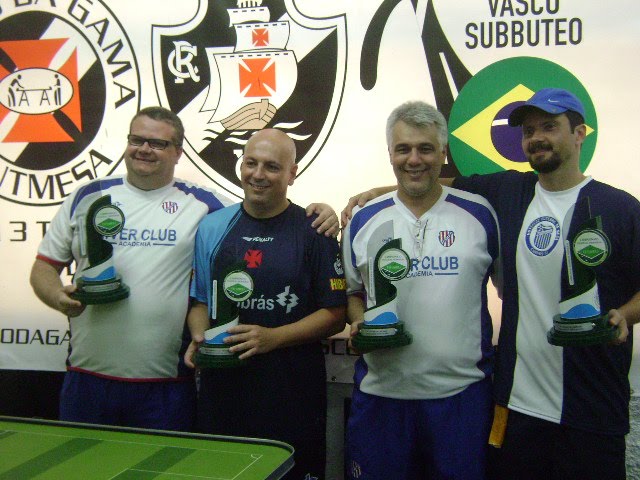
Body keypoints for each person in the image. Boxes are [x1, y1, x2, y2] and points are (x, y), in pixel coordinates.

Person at [342, 88, 640, 479]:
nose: (537, 138)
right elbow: (427, 182)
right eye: (529, 131)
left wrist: (626, 315)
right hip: (516, 406)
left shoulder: (619, 207)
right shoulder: (509, 194)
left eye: (549, 127)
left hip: (591, 404)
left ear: (579, 133)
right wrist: (375, 193)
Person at [30, 107, 339, 431]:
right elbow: (44, 267)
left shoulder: (206, 206)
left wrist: (322, 212)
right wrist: (57, 297)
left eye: (158, 143)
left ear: (178, 152)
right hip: (86, 376)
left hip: (166, 383)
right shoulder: (87, 196)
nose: (145, 149)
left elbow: (262, 209)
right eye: (137, 139)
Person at [341, 101, 500, 479]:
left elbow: (510, 292)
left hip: (461, 399)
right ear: (390, 154)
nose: (414, 159)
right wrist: (359, 322)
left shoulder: (480, 213)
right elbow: (352, 293)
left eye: (425, 149)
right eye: (403, 149)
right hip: (381, 398)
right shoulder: (362, 219)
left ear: (443, 152)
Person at [185, 128, 347, 480]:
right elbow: (200, 301)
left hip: (292, 392)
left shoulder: (315, 230)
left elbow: (336, 314)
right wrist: (199, 338)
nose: (258, 174)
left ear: (292, 173)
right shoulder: (212, 226)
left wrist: (273, 338)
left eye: (272, 167)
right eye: (251, 163)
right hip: (223, 391)